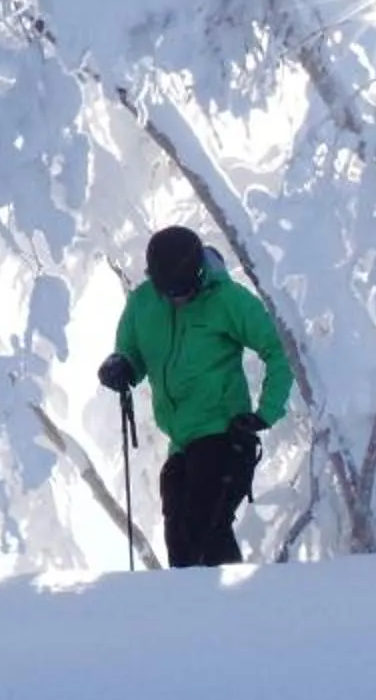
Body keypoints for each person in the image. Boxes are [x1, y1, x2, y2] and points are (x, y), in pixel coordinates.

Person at [96, 226, 294, 569]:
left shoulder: (226, 299)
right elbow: (131, 352)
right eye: (169, 290)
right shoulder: (143, 304)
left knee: (205, 528)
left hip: (226, 432)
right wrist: (120, 366)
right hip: (181, 441)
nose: (178, 298)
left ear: (199, 271)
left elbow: (280, 349)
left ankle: (230, 612)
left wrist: (265, 413)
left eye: (185, 288)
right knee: (180, 539)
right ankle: (197, 615)